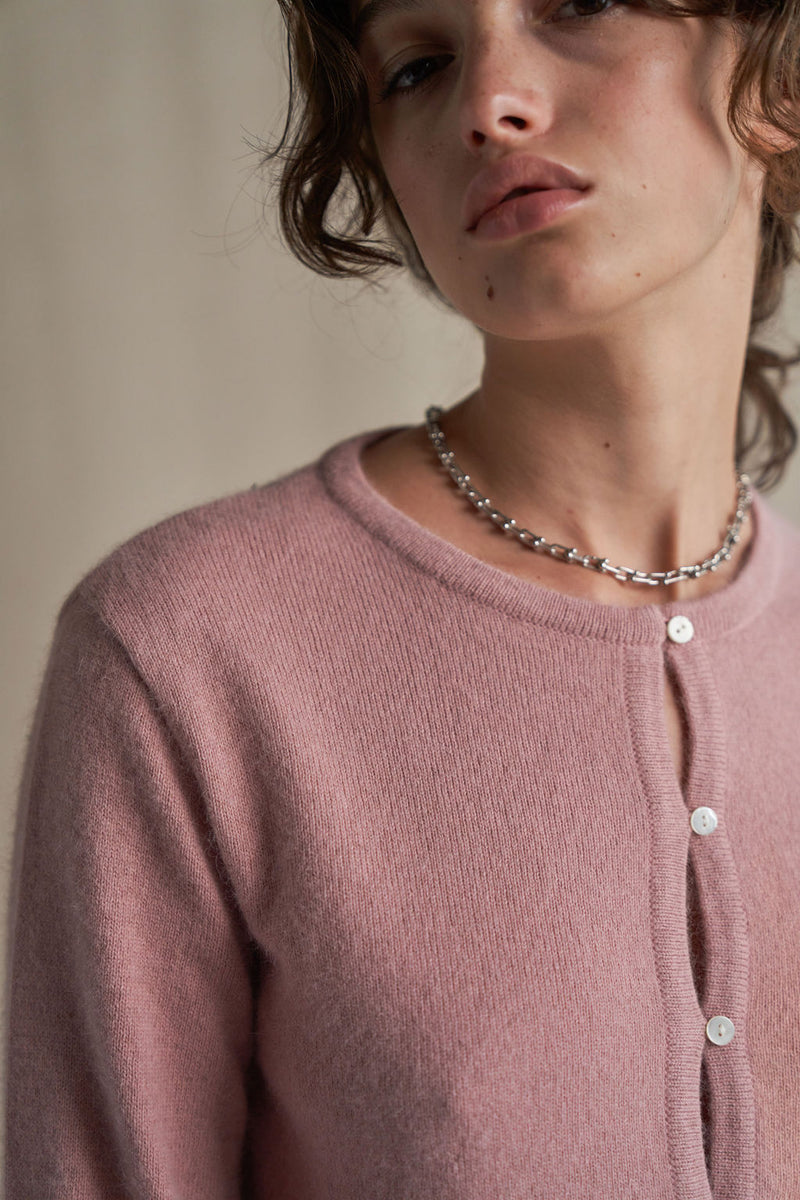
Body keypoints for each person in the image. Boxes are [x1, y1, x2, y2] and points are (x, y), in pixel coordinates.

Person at [6, 0, 800, 1196]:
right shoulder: (187, 653)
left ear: (775, 83)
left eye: (578, 7)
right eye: (419, 69)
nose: (488, 105)